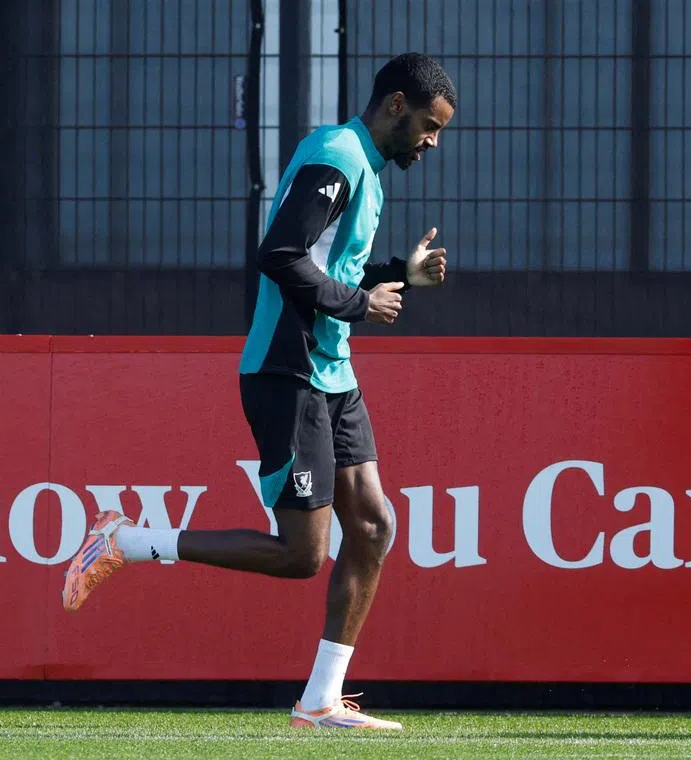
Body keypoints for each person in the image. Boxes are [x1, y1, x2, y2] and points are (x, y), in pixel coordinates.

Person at [62, 52, 456, 731]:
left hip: (333, 374)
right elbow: (279, 253)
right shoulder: (337, 154)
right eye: (427, 125)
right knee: (302, 556)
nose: (431, 142)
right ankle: (127, 541)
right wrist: (361, 305)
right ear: (396, 104)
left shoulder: (359, 163)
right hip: (289, 372)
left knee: (373, 527)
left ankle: (320, 700)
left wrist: (401, 276)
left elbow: (331, 266)